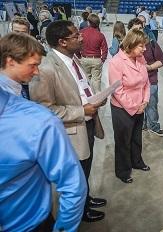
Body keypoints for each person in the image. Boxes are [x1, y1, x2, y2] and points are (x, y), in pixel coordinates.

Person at [0, 32, 87, 232]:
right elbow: (73, 186)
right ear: (10, 61)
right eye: (32, 65)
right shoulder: (38, 120)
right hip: (29, 223)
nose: (37, 72)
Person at [29, 20, 107, 223]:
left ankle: (86, 200)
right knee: (74, 179)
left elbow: (80, 89)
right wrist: (81, 111)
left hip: (87, 123)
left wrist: (96, 98)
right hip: (71, 132)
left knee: (85, 170)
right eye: (76, 36)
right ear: (62, 41)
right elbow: (44, 110)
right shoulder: (46, 69)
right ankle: (78, 213)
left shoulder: (73, 59)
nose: (81, 37)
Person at [108, 29, 151, 184]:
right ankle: (123, 171)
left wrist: (145, 102)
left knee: (136, 138)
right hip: (122, 109)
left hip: (140, 105)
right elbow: (117, 90)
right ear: (131, 45)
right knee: (123, 141)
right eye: (141, 46)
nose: (144, 49)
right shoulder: (116, 62)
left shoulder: (140, 58)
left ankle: (137, 162)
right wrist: (135, 107)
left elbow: (146, 82)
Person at [129, 18, 163, 136]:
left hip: (150, 81)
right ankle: (142, 125)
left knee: (151, 105)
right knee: (138, 106)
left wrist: (149, 68)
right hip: (135, 83)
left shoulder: (151, 43)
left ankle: (153, 126)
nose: (139, 32)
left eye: (140, 28)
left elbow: (162, 60)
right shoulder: (127, 46)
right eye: (135, 30)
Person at [80, 13, 108, 93]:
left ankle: (86, 97)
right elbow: (105, 49)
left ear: (88, 22)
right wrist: (103, 59)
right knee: (96, 81)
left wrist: (80, 56)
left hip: (84, 58)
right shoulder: (100, 35)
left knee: (85, 80)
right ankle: (98, 99)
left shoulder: (81, 32)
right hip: (96, 59)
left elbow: (77, 45)